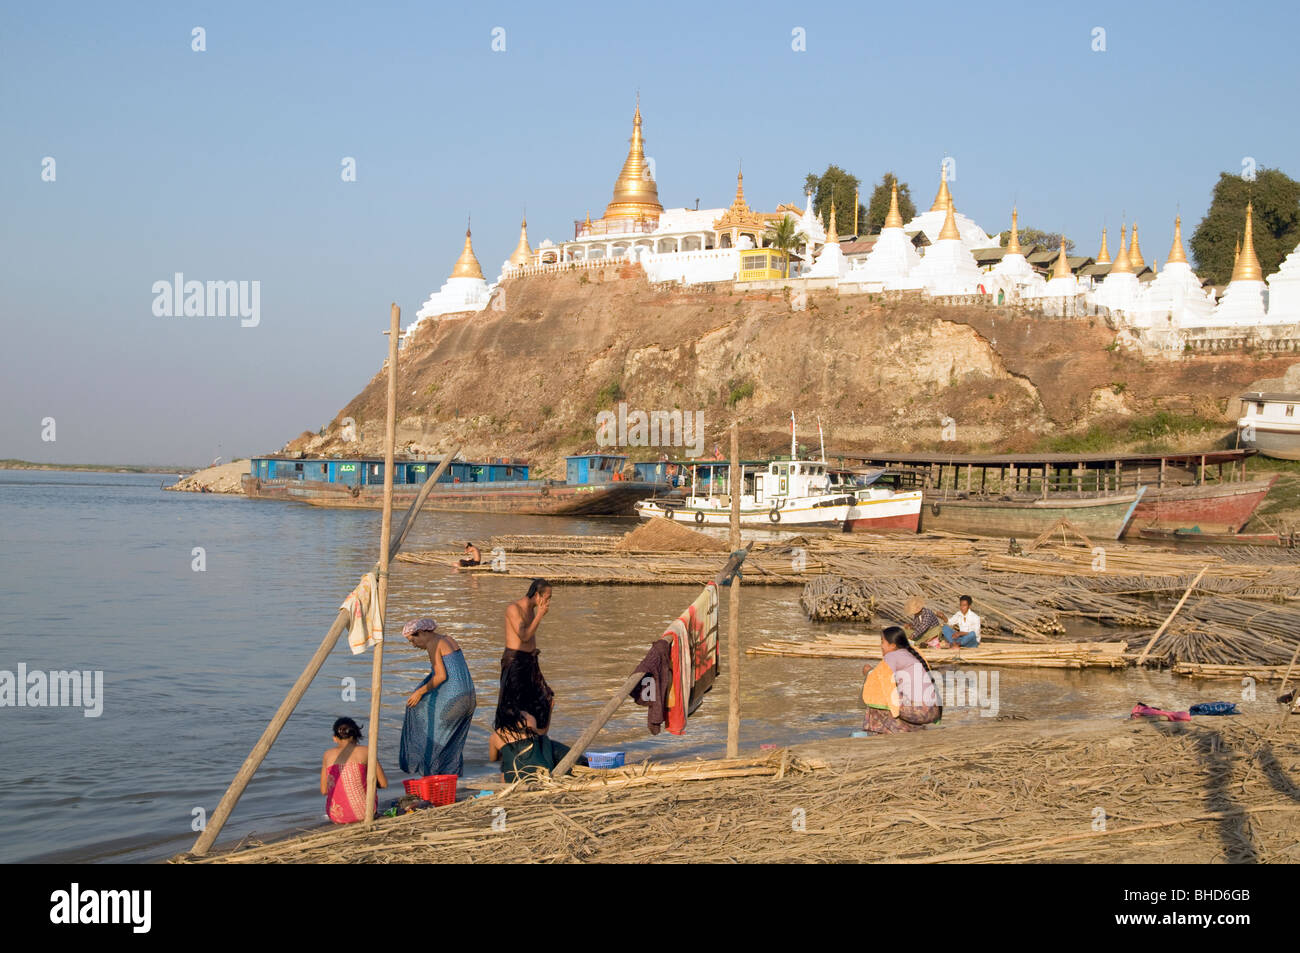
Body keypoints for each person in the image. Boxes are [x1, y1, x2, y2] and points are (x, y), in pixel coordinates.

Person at [399, 617, 477, 777]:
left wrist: (419, 692)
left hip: (454, 697)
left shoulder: (433, 643)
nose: (413, 645)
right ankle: (448, 782)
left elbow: (441, 676)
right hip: (468, 697)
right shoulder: (448, 639)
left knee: (432, 740)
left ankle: (432, 781)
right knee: (451, 743)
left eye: (412, 641)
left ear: (420, 633)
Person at [489, 661, 585, 781]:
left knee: (504, 771)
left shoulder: (495, 736)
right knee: (543, 741)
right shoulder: (529, 720)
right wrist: (550, 710)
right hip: (541, 772)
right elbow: (543, 732)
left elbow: (493, 759)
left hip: (513, 779)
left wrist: (507, 749)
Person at [860, 626, 942, 734]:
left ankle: (877, 731)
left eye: (882, 642)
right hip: (933, 710)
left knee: (877, 697)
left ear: (893, 645)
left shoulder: (891, 656)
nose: (881, 646)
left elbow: (878, 680)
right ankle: (909, 728)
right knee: (892, 696)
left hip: (920, 710)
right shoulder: (911, 654)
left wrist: (869, 672)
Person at [500, 579, 555, 731]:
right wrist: (540, 615)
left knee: (546, 700)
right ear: (537, 595)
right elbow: (523, 636)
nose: (548, 601)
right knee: (515, 706)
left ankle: (538, 737)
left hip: (530, 662)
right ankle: (512, 740)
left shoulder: (532, 610)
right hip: (515, 663)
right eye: (547, 597)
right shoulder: (514, 609)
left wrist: (538, 615)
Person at [320, 717, 387, 823]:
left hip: (336, 816)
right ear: (357, 736)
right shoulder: (366, 751)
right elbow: (383, 784)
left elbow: (324, 790)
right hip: (365, 812)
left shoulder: (327, 755)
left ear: (334, 738)